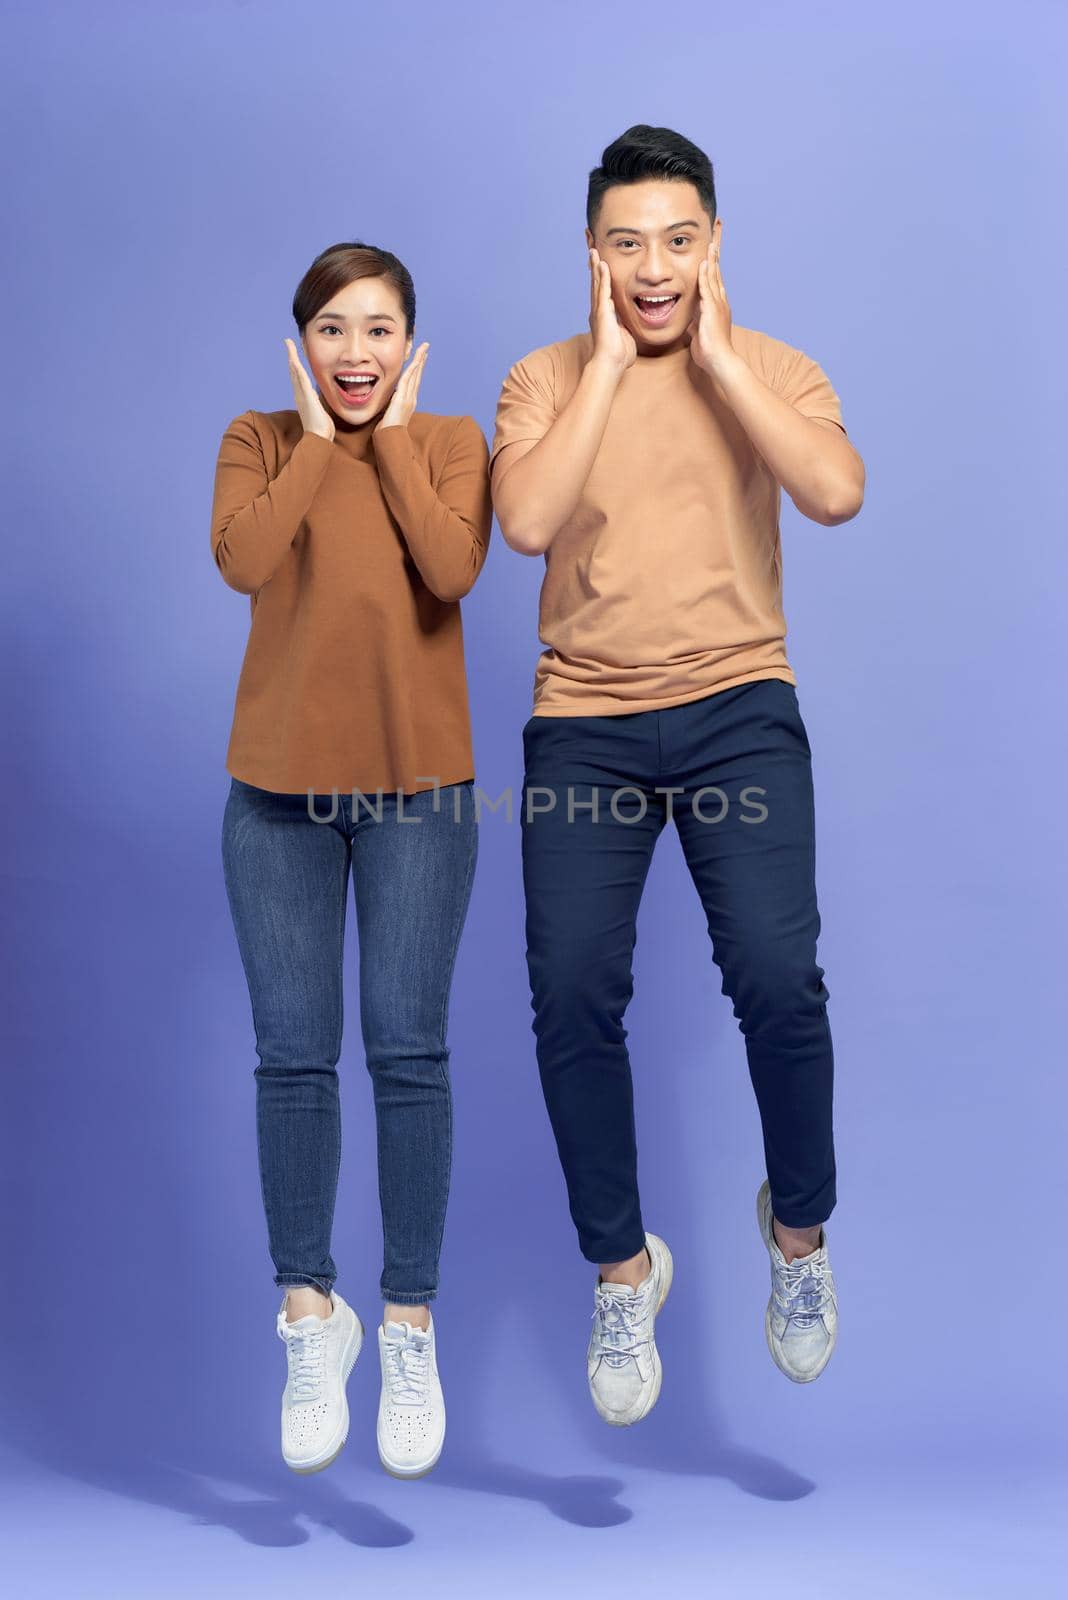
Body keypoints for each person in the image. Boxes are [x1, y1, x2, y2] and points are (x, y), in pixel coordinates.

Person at [490, 126, 864, 1423]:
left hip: (737, 714)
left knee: (776, 973)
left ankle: (798, 1241)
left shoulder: (771, 368)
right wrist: (606, 365)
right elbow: (527, 523)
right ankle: (622, 1273)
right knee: (571, 991)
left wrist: (712, 357)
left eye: (679, 240)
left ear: (715, 245)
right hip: (584, 723)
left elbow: (835, 491)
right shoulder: (541, 379)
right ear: (592, 255)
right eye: (626, 243)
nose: (654, 266)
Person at [211, 241, 492, 1476]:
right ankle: (306, 1316)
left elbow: (453, 568)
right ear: (301, 343)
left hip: (421, 796)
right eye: (333, 328)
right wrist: (322, 439)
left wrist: (382, 444)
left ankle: (411, 1324)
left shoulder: (446, 447)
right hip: (276, 801)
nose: (356, 351)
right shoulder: (259, 438)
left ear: (410, 343)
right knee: (293, 1057)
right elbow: (243, 560)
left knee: (409, 1049)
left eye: (379, 329)